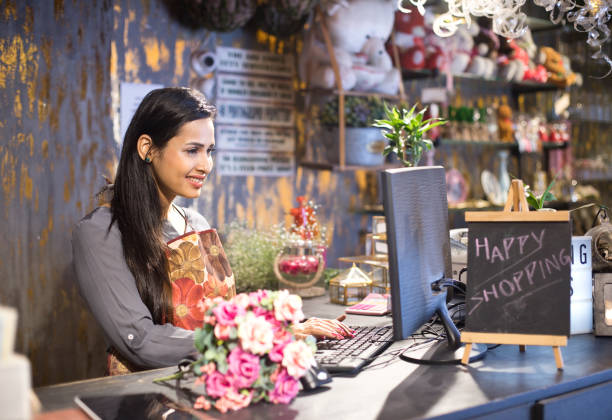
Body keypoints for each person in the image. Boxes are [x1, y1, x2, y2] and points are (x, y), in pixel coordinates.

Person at [72, 87, 352, 375]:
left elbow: (224, 316)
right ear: (147, 149)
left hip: (219, 379)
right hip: (149, 396)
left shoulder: (197, 223)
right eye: (192, 150)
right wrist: (264, 339)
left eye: (209, 151)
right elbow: (140, 341)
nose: (205, 165)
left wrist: (290, 327)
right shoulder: (101, 232)